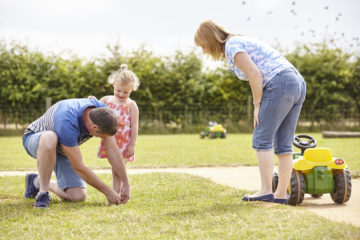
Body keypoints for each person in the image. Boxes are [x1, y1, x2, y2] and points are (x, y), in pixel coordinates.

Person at [194, 20, 306, 204]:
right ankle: (279, 195)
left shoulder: (232, 46)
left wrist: (257, 105)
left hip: (280, 83)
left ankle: (265, 191)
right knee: (284, 144)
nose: (204, 51)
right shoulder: (239, 41)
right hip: (296, 82)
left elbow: (254, 75)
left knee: (262, 138)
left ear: (210, 39)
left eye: (204, 46)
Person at [23, 98, 130, 208]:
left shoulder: (103, 113)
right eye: (101, 136)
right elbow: (78, 167)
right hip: (36, 140)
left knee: (77, 196)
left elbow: (113, 150)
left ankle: (36, 181)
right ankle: (43, 193)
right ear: (94, 127)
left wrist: (125, 183)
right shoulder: (67, 121)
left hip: (63, 149)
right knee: (50, 137)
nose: (101, 138)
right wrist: (108, 192)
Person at [94, 64, 139, 193]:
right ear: (113, 84)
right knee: (115, 169)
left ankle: (116, 194)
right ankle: (117, 194)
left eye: (126, 92)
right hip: (110, 141)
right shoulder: (106, 100)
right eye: (119, 90)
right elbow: (94, 109)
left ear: (131, 90)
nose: (121, 94)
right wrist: (92, 100)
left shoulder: (131, 105)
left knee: (117, 170)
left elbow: (135, 126)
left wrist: (132, 145)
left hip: (124, 143)